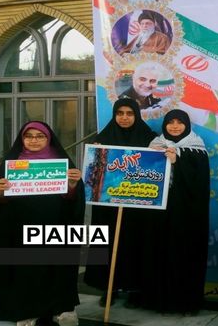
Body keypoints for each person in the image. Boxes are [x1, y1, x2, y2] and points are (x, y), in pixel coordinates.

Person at [0, 121, 84, 326]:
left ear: (49, 139)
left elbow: (73, 201)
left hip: (56, 228)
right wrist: (0, 193)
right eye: (28, 136)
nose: (34, 140)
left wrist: (72, 186)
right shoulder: (11, 164)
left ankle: (62, 308)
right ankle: (27, 310)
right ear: (22, 139)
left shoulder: (62, 164)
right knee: (27, 270)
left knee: (58, 267)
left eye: (40, 136)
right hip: (20, 231)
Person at [83, 98, 157, 307]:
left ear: (137, 115)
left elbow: (157, 168)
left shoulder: (150, 139)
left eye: (129, 113)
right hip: (108, 205)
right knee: (107, 245)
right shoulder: (102, 139)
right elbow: (93, 175)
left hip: (139, 207)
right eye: (120, 113)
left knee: (135, 244)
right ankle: (109, 288)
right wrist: (94, 155)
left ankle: (135, 289)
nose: (124, 118)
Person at [142, 109, 210, 313]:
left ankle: (184, 302)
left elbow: (200, 183)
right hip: (158, 214)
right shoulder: (154, 145)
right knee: (158, 254)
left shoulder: (196, 148)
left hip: (186, 214)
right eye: (170, 122)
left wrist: (178, 161)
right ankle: (157, 301)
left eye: (179, 122)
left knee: (184, 255)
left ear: (186, 125)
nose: (174, 126)